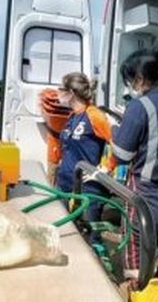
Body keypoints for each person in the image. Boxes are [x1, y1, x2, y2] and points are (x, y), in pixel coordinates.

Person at [111, 47, 158, 302]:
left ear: (139, 79)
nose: (131, 86)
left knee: (138, 255)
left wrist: (114, 130)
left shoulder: (139, 106)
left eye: (131, 81)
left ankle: (142, 296)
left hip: (145, 192)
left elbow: (122, 154)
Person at [55, 71, 113, 223]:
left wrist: (107, 167)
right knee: (65, 231)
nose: (58, 93)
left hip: (88, 188)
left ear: (71, 93)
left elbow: (117, 142)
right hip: (65, 183)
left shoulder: (94, 115)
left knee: (90, 237)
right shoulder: (72, 116)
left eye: (61, 89)